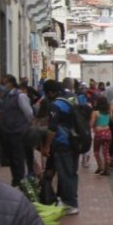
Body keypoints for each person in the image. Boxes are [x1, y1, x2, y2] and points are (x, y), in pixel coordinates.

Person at [42, 80, 80, 214]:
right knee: (72, 173)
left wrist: (46, 146)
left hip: (63, 143)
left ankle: (70, 204)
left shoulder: (56, 105)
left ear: (51, 92)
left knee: (65, 174)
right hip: (76, 141)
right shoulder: (73, 98)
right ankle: (68, 200)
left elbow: (52, 129)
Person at [0, 74, 35, 186]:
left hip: (18, 131)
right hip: (9, 131)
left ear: (10, 83)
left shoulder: (20, 96)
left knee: (18, 158)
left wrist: (24, 125)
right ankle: (16, 179)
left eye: (4, 84)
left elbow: (28, 113)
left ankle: (20, 180)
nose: (2, 86)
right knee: (12, 158)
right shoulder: (6, 96)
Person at [90, 96, 113, 176]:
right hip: (108, 133)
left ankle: (100, 167)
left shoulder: (95, 112)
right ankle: (107, 169)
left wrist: (93, 127)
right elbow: (110, 120)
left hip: (99, 134)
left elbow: (91, 124)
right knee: (106, 152)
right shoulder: (108, 112)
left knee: (96, 151)